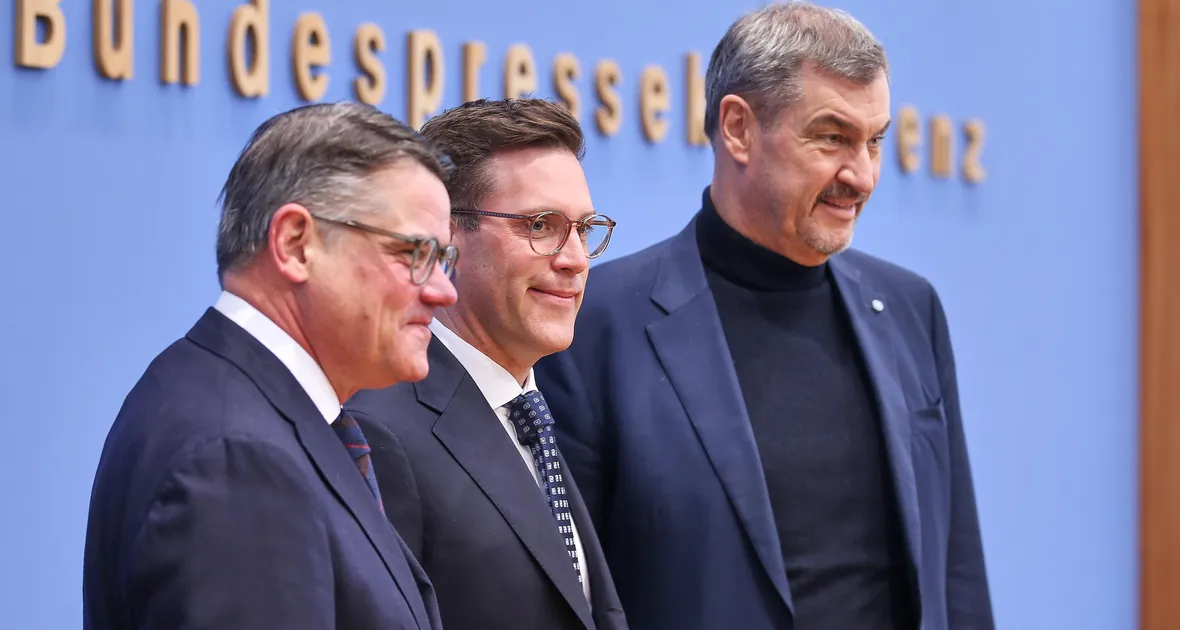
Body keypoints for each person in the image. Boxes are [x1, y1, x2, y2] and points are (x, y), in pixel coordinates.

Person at [535, 3, 996, 630]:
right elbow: (572, 595)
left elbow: (957, 573)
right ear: (738, 129)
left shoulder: (910, 309)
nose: (861, 175)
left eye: (875, 140)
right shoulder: (597, 324)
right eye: (832, 137)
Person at [82, 102, 459, 630]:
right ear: (295, 244)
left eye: (442, 260)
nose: (443, 291)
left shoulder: (233, 402)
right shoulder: (236, 457)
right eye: (413, 253)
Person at [344, 98, 627, 630]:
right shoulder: (380, 429)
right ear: (447, 236)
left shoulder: (527, 414)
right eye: (541, 225)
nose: (574, 259)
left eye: (584, 229)